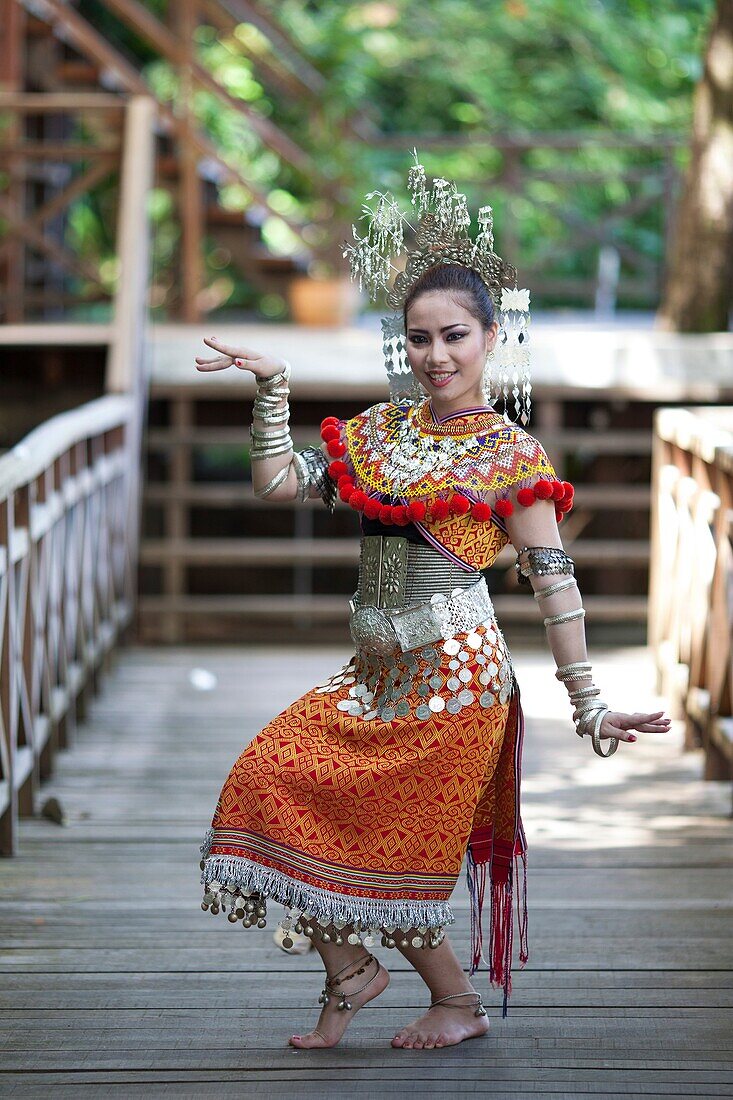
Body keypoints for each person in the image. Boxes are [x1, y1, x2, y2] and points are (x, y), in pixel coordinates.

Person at [195, 157, 671, 1051]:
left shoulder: (511, 458)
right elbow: (276, 488)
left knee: (398, 850)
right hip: (371, 672)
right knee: (264, 781)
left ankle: (451, 1004)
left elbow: (553, 582)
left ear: (492, 337)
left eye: (454, 336)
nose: (436, 357)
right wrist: (272, 389)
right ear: (401, 345)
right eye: (418, 339)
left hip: (454, 684)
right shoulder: (377, 433)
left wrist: (589, 703)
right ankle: (354, 975)